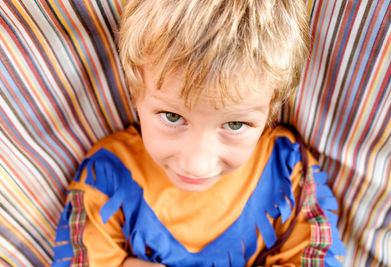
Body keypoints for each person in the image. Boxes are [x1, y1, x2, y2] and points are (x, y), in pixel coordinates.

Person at [52, 0, 345, 266]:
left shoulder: (288, 171)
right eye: (172, 116)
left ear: (270, 111)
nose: (196, 165)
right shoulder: (107, 176)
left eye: (235, 125)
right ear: (134, 93)